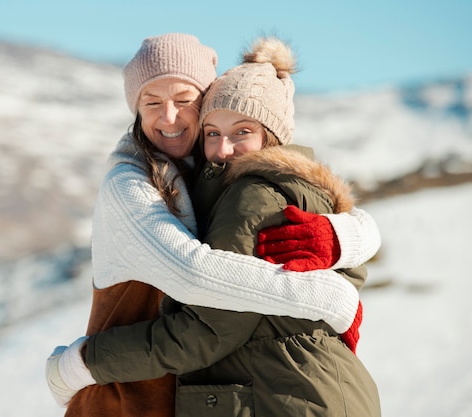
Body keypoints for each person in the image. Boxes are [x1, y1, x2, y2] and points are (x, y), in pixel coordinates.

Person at [46, 33, 381, 417]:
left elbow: (215, 319)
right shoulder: (131, 182)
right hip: (127, 398)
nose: (168, 117)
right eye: (151, 101)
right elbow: (194, 274)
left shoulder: (227, 183)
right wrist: (332, 297)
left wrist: (351, 235)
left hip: (232, 393)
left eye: (184, 101)